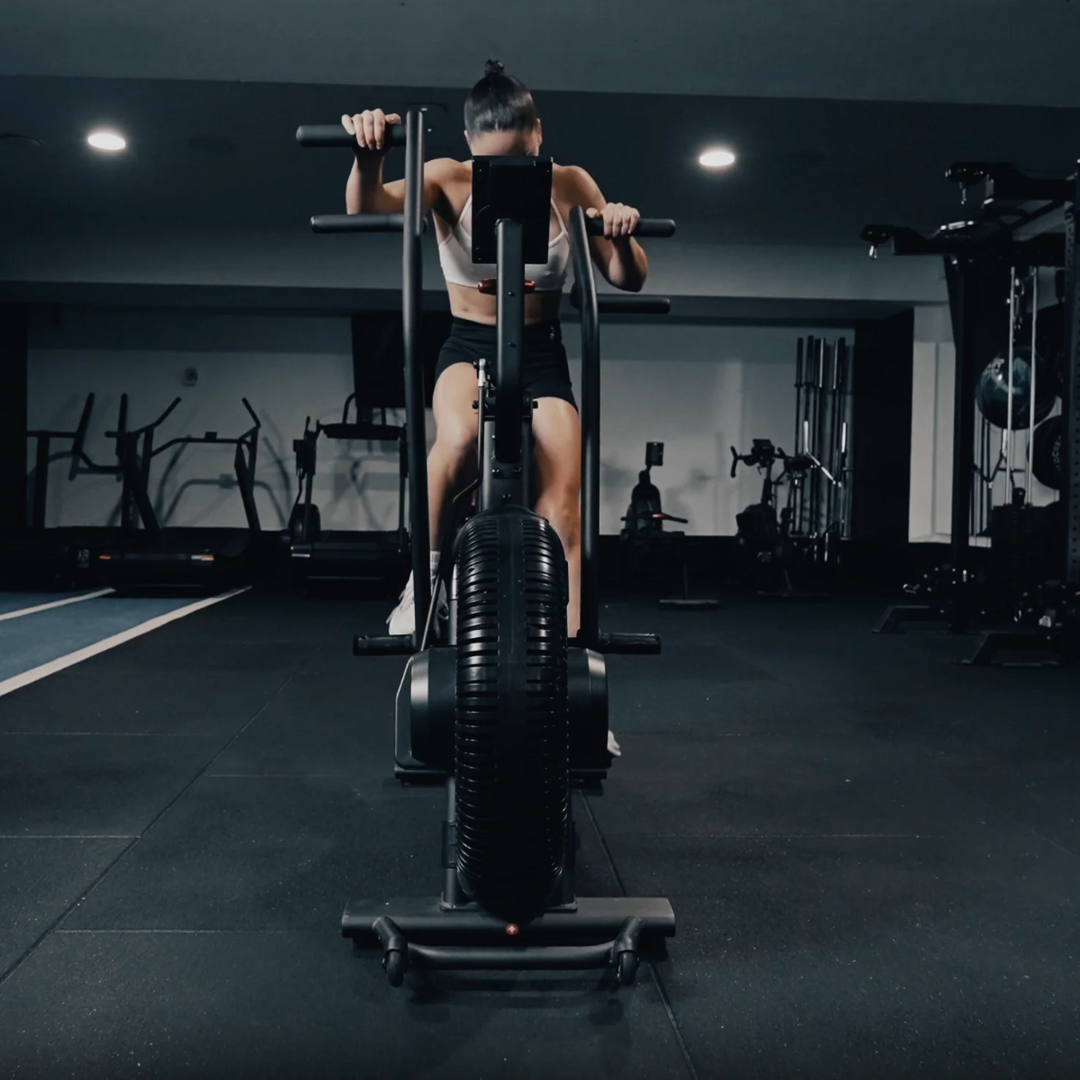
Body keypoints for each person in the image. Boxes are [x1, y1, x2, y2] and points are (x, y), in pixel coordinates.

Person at [344, 62, 651, 755]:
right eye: (493, 164)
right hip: (467, 344)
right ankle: (419, 589)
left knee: (564, 505)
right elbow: (369, 205)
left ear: (538, 135)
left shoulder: (572, 184)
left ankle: (572, 683)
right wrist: (370, 155)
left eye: (519, 160)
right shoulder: (447, 176)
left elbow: (625, 278)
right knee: (453, 446)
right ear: (467, 143)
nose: (505, 176)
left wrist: (624, 231)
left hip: (542, 351)